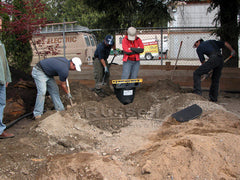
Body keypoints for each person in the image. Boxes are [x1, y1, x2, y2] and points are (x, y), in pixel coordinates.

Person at [0, 40, 14, 139]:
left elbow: (4, 61)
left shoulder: (0, 43)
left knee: (1, 104)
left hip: (2, 79)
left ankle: (0, 130)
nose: (1, 27)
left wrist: (7, 77)